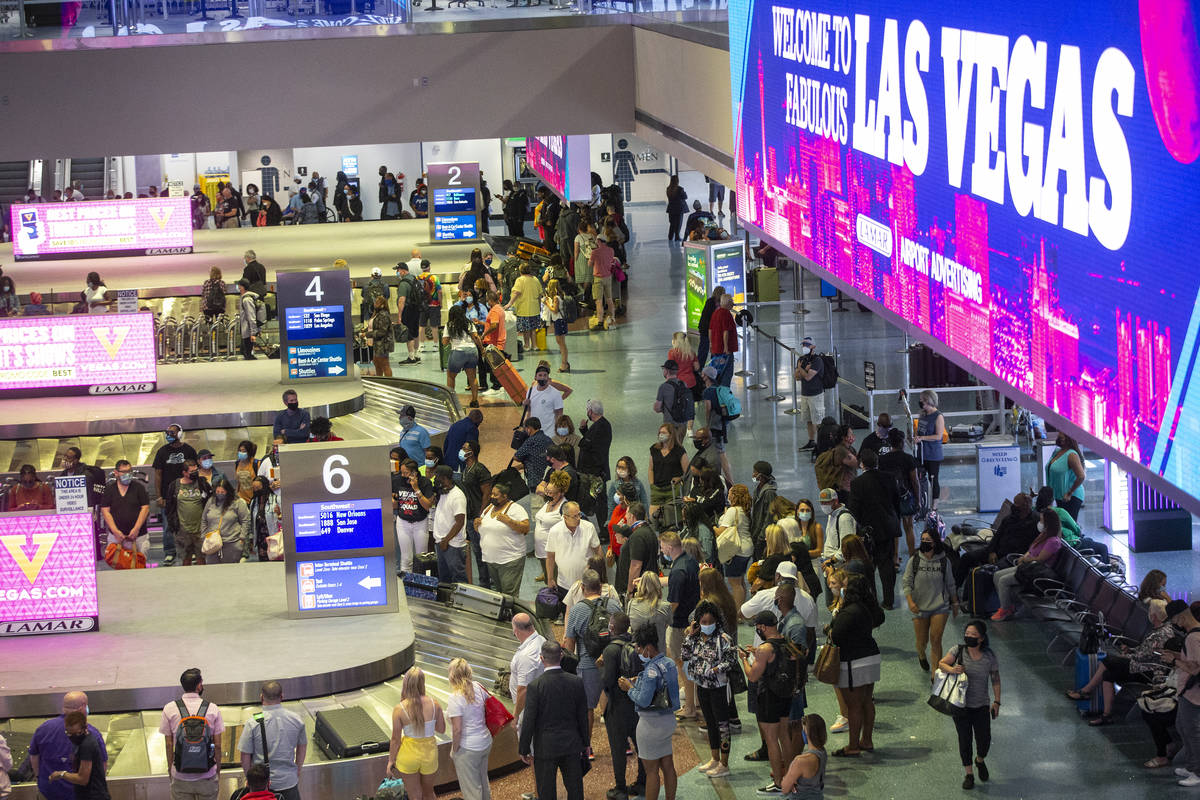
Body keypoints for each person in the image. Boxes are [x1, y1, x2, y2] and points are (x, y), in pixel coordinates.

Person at [1066, 598, 1179, 728]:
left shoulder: (1162, 634)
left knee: (1108, 660)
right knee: (1108, 674)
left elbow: (1143, 656)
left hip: (1148, 672)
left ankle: (1086, 691)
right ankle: (1106, 715)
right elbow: (1145, 651)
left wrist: (1127, 655)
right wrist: (1130, 650)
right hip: (1140, 666)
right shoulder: (1159, 629)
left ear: (1153, 615)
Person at [519, 642, 588, 800]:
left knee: (546, 792)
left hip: (545, 747)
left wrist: (524, 748)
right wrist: (585, 742)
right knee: (575, 790)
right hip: (571, 744)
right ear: (561, 656)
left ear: (542, 659)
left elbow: (529, 720)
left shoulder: (535, 686)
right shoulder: (576, 682)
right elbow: (582, 716)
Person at [938, 620, 1002, 789]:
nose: (969, 637)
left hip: (981, 705)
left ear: (981, 638)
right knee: (964, 740)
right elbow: (941, 664)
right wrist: (952, 669)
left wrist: (997, 701)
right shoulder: (958, 651)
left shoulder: (989, 656)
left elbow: (995, 679)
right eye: (967, 634)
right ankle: (969, 774)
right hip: (960, 706)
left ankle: (980, 760)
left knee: (984, 740)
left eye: (973, 635)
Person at [564, 570, 623, 751]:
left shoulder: (577, 610)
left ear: (583, 588)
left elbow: (569, 643)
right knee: (615, 704)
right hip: (613, 663)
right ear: (601, 587)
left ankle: (587, 747)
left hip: (587, 666)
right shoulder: (614, 605)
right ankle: (623, 745)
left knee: (587, 708)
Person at [739, 610, 797, 795]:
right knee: (784, 737)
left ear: (762, 627)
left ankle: (779, 783)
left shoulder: (765, 649)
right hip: (785, 695)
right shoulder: (787, 642)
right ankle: (790, 777)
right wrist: (758, 654)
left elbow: (753, 676)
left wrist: (745, 660)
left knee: (771, 740)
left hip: (768, 697)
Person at [621, 626, 680, 800]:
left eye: (638, 647)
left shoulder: (650, 671)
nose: (637, 651)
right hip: (668, 721)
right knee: (668, 765)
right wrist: (639, 680)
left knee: (652, 771)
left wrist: (629, 688)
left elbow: (644, 700)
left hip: (650, 726)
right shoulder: (669, 663)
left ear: (647, 648)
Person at [681, 600, 737, 778]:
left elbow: (731, 660)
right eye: (703, 622)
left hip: (718, 687)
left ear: (716, 621)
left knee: (722, 725)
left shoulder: (724, 639)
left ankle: (724, 763)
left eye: (709, 622)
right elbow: (685, 655)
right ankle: (714, 758)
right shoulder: (696, 638)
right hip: (702, 686)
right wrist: (690, 635)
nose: (706, 626)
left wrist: (715, 669)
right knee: (710, 722)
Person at [829, 574, 883, 757]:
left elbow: (835, 634)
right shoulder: (868, 608)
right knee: (867, 701)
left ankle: (853, 746)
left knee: (853, 706)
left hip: (854, 662)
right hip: (871, 657)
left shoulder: (849, 611)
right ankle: (866, 740)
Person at [902, 523, 959, 677]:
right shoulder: (914, 560)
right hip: (919, 607)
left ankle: (936, 672)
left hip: (940, 606)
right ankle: (921, 655)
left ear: (935, 542)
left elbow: (950, 583)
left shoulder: (943, 561)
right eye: (923, 539)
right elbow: (906, 581)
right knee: (922, 642)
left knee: (936, 639)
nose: (925, 542)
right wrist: (910, 601)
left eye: (928, 540)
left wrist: (955, 603)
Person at [600, 612, 647, 800]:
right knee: (640, 746)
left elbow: (608, 681)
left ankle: (620, 788)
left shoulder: (610, 650)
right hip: (636, 705)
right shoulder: (636, 646)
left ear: (612, 628)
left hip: (617, 707)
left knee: (618, 749)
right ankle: (642, 782)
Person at [848, 448, 902, 607]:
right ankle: (889, 600)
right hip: (888, 527)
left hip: (869, 530)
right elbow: (896, 502)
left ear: (861, 464)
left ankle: (872, 598)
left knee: (868, 565)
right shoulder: (890, 478)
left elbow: (854, 509)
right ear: (877, 462)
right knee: (887, 564)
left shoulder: (857, 483)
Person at [160, 668, 225, 800]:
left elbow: (168, 744)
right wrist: (217, 769)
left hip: (180, 776)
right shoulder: (212, 708)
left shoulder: (169, 708)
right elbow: (217, 745)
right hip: (207, 776)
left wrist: (170, 769)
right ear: (199, 686)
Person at [29, 692, 108, 800]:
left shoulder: (43, 729)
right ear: (83, 706)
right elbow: (101, 766)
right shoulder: (91, 734)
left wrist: (39, 777)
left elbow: (34, 757)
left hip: (49, 792)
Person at [991, 509, 1064, 621]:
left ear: (1048, 523)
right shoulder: (1043, 535)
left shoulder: (1053, 541)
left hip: (1037, 573)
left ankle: (1005, 610)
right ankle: (1009, 605)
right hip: (1028, 567)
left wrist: (1025, 560)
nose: (1039, 523)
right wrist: (1024, 557)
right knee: (997, 575)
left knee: (1003, 581)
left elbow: (1040, 560)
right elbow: (1031, 550)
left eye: (1042, 520)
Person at [238, 681, 306, 800]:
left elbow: (245, 756)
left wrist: (251, 779)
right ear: (282, 696)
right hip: (289, 782)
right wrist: (297, 769)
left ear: (261, 697)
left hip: (262, 787)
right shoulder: (296, 720)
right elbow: (302, 747)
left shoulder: (252, 723)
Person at [660, 530, 701, 722]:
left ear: (669, 547)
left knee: (683, 665)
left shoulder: (677, 571)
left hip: (680, 625)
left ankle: (690, 707)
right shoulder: (690, 561)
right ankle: (696, 701)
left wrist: (661, 618)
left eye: (662, 547)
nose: (661, 551)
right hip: (693, 619)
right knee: (691, 663)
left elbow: (673, 604)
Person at [388, 669, 445, 800]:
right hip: (429, 755)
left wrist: (391, 761)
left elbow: (395, 739)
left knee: (415, 796)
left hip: (408, 756)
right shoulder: (434, 704)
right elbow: (441, 729)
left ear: (406, 683)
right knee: (429, 793)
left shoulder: (399, 709)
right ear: (422, 683)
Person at [441, 659, 493, 800]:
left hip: (468, 749)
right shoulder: (478, 686)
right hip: (485, 741)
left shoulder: (455, 697)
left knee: (472, 790)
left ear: (452, 675)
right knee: (483, 781)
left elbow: (457, 729)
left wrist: (454, 750)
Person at [476, 481, 530, 595]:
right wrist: (476, 525)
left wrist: (509, 521)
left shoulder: (515, 509)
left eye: (496, 495)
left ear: (505, 496)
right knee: (499, 594)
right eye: (491, 494)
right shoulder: (489, 508)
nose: (492, 497)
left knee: (509, 594)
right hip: (491, 559)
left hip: (510, 560)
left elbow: (526, 528)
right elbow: (483, 529)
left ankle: (512, 613)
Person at [878, 427, 920, 559]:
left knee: (895, 530)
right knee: (909, 527)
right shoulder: (908, 458)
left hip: (890, 498)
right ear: (901, 442)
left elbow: (881, 481)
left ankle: (895, 558)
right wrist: (918, 500)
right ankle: (912, 555)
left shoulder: (883, 460)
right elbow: (915, 481)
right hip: (906, 497)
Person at [46, 710, 108, 800]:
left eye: (77, 733)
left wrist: (61, 774)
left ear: (85, 728)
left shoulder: (87, 745)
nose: (73, 737)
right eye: (69, 733)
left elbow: (82, 779)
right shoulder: (80, 742)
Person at [163, 458, 211, 567]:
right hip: (182, 531)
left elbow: (210, 502)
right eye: (192, 472)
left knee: (202, 558)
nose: (195, 474)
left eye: (196, 471)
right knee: (185, 559)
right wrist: (173, 525)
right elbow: (169, 508)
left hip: (200, 529)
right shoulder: (174, 486)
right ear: (184, 473)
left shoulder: (202, 484)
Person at [100, 459, 150, 561]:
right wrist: (115, 531)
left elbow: (145, 508)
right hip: (116, 537)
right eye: (124, 472)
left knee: (139, 565)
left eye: (129, 471)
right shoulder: (109, 490)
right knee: (118, 565)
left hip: (139, 536)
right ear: (116, 473)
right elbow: (105, 511)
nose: (127, 474)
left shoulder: (138, 488)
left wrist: (136, 529)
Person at [547, 501, 602, 592]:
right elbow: (550, 556)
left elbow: (597, 549)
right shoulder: (554, 531)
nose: (578, 518)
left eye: (579, 514)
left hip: (588, 583)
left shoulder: (589, 527)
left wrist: (601, 574)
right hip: (564, 584)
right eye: (574, 516)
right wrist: (550, 578)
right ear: (565, 517)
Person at [717, 483, 755, 607]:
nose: (728, 495)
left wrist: (711, 527)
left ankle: (737, 613)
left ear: (734, 495)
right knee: (740, 581)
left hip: (736, 551)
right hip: (747, 549)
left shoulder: (733, 511)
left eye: (730, 493)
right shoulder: (746, 510)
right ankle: (741, 607)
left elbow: (721, 531)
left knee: (735, 584)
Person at [510, 612, 547, 737]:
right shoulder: (541, 640)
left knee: (530, 750)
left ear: (516, 631)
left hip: (528, 708)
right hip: (541, 701)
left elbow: (523, 690)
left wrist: (515, 716)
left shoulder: (527, 655)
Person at [430, 465, 468, 582]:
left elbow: (460, 522)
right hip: (441, 542)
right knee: (444, 579)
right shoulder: (443, 492)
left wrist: (446, 540)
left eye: (438, 477)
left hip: (453, 544)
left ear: (445, 478)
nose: (435, 480)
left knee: (458, 579)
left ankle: (461, 601)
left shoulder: (457, 496)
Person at [201, 476, 250, 564]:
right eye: (218, 492)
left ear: (228, 491)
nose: (220, 494)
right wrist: (203, 536)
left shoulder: (238, 502)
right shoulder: (211, 501)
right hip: (212, 544)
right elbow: (204, 520)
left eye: (222, 492)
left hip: (232, 543)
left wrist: (242, 539)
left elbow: (245, 521)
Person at [780, 714, 827, 799]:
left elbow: (785, 789)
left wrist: (786, 778)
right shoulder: (823, 752)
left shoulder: (800, 761)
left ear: (806, 732)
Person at [914, 389, 946, 510]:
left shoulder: (938, 416)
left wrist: (923, 438)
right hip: (921, 453)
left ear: (929, 401)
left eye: (922, 400)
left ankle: (934, 505)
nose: (920, 402)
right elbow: (920, 430)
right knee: (918, 478)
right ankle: (920, 502)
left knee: (933, 479)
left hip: (933, 454)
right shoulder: (922, 414)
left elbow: (939, 436)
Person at [648, 424, 689, 517]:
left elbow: (687, 471)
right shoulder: (654, 449)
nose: (660, 434)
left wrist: (680, 478)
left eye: (663, 432)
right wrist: (652, 484)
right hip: (657, 489)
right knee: (653, 518)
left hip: (673, 489)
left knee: (671, 518)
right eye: (659, 432)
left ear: (671, 435)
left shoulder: (679, 451)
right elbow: (651, 469)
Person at [1046, 430, 1087, 521]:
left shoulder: (1071, 454)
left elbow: (1081, 476)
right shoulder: (1057, 451)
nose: (1060, 435)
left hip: (1071, 497)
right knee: (1063, 526)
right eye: (1060, 433)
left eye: (1063, 433)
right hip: (1060, 495)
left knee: (1069, 528)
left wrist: (1070, 493)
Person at [654, 360, 694, 447]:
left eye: (663, 369)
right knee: (679, 448)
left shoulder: (663, 387)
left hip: (669, 426)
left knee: (668, 449)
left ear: (667, 371)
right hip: (683, 423)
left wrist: (663, 408)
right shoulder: (683, 384)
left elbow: (657, 408)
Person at [507, 263, 544, 353]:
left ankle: (527, 345)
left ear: (520, 271)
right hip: (535, 309)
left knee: (525, 330)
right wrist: (539, 307)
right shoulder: (535, 279)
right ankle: (535, 345)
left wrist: (509, 303)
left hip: (524, 309)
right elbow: (540, 295)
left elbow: (516, 293)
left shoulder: (520, 280)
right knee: (533, 329)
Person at [578, 399, 613, 483]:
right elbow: (593, 441)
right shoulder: (601, 424)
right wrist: (584, 429)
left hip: (595, 473)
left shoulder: (600, 426)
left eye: (587, 410)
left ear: (590, 411)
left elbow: (587, 444)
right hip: (595, 471)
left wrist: (583, 440)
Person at [708, 293, 738, 387]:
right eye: (731, 302)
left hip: (716, 348)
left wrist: (711, 343)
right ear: (727, 303)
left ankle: (717, 392)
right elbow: (726, 332)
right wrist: (726, 347)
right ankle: (724, 394)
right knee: (727, 373)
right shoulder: (726, 314)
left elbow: (710, 330)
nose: (733, 304)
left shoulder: (715, 313)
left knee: (717, 372)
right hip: (724, 350)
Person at [543, 278, 571, 373]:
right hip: (559, 321)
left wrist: (546, 303)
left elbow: (555, 310)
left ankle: (564, 364)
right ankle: (565, 362)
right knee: (560, 342)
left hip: (559, 321)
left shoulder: (556, 298)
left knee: (561, 343)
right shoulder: (560, 296)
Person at [665, 175, 688, 243]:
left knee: (672, 223)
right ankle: (677, 237)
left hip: (671, 208)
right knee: (678, 223)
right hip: (679, 208)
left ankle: (670, 236)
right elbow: (685, 197)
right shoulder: (680, 189)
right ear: (677, 181)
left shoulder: (668, 189)